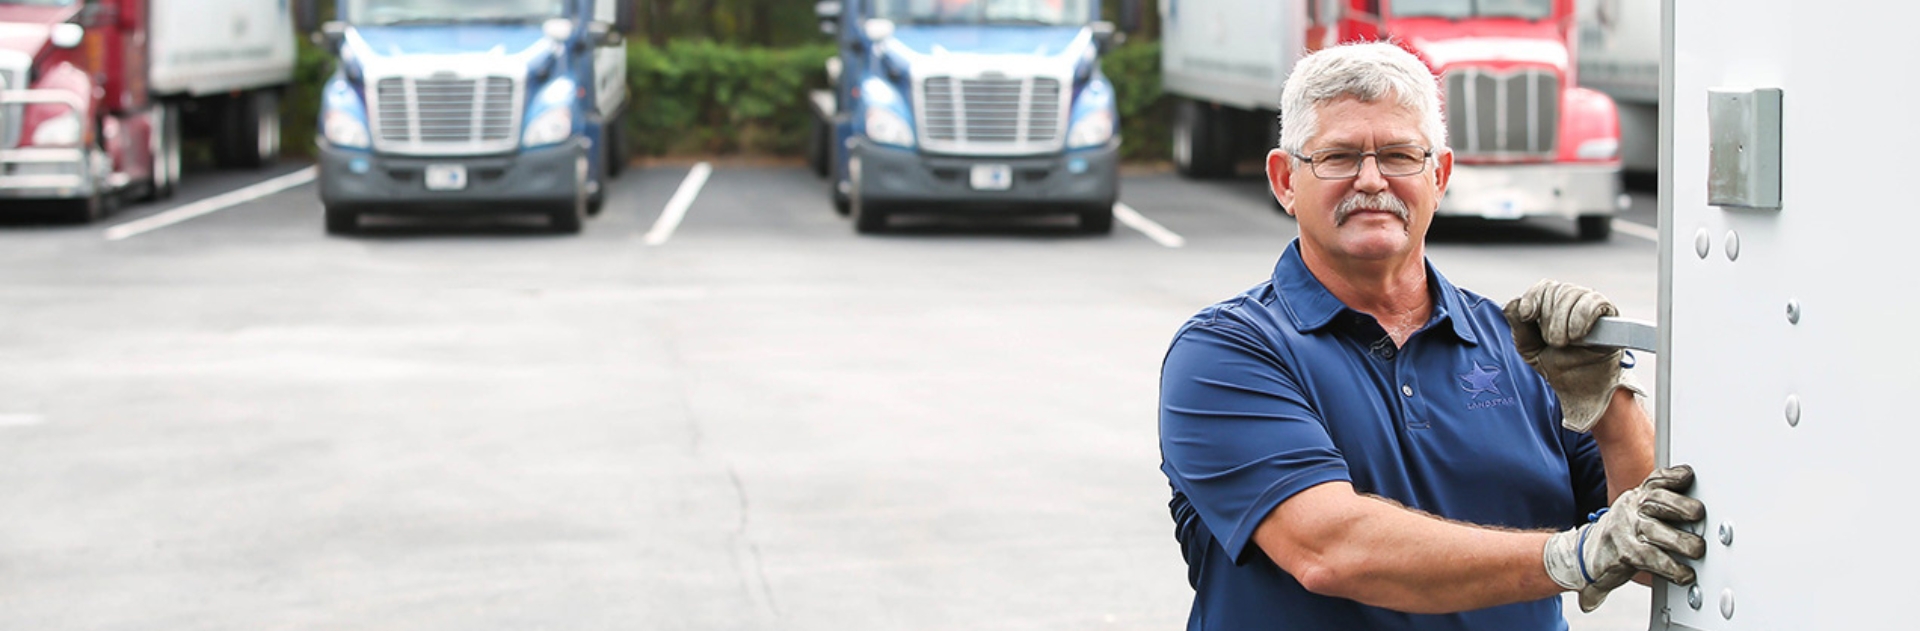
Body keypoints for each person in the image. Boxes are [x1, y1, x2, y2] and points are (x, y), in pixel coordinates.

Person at [1156, 41, 1709, 629]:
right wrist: (1571, 557)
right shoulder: (1226, 353)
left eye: (1399, 155)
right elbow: (1327, 549)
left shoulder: (1522, 347)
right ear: (1285, 180)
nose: (1371, 180)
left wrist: (1609, 403)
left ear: (1439, 174)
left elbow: (1658, 549)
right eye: (1339, 157)